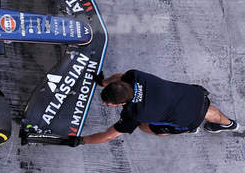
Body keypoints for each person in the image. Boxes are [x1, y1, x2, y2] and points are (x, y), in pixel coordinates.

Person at [70, 68, 236, 145]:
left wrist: (80, 140)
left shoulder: (134, 115)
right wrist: (102, 81)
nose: (105, 104)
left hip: (188, 119)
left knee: (144, 127)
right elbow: (118, 77)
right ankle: (230, 124)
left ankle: (187, 128)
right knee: (203, 109)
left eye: (108, 103)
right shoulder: (133, 76)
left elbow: (108, 136)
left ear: (121, 104)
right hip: (195, 95)